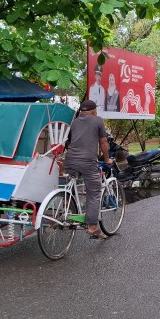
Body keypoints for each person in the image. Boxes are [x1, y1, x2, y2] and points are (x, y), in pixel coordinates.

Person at [63, 99, 112, 239]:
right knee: (93, 193)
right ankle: (92, 226)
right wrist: (107, 158)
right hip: (87, 162)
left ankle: (67, 207)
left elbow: (68, 142)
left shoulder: (74, 122)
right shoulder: (97, 120)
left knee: (72, 183)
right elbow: (103, 141)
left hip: (70, 160)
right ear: (93, 111)